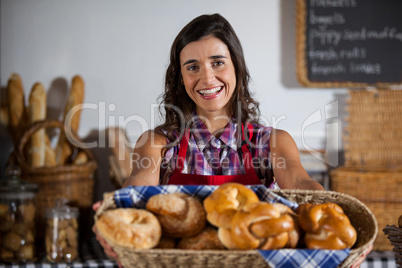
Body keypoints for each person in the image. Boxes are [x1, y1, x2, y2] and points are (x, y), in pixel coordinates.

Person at [93, 13, 371, 267]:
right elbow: (139, 185)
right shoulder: (157, 142)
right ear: (180, 79)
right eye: (192, 67)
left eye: (217, 63)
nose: (207, 77)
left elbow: (300, 185)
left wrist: (339, 222)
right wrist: (115, 208)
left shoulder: (272, 142)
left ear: (236, 67)